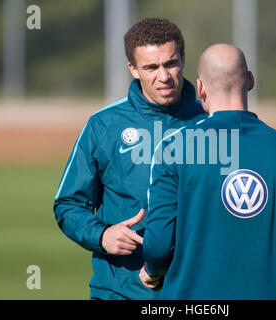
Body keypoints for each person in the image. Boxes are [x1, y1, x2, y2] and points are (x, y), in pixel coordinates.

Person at [140, 44, 276, 299]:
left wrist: (153, 270)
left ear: (201, 87)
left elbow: (159, 245)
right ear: (250, 80)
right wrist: (259, 273)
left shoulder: (174, 148)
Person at [53, 18, 206, 300]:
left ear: (183, 59)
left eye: (170, 63)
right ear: (133, 69)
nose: (163, 76)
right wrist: (102, 235)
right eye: (150, 67)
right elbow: (68, 203)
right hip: (118, 290)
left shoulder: (210, 122)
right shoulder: (103, 125)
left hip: (192, 291)